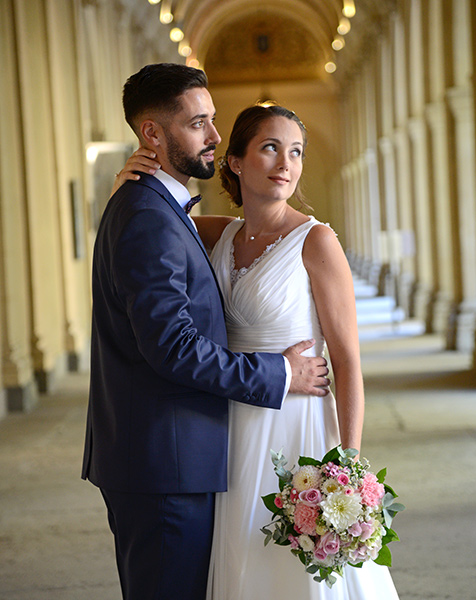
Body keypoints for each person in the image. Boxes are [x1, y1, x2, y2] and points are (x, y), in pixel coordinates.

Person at [117, 103, 400, 599]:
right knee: (242, 558)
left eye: (295, 152)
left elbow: (347, 359)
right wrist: (129, 184)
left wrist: (348, 467)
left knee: (300, 572)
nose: (285, 164)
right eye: (270, 148)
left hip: (300, 423)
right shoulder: (220, 234)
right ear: (235, 162)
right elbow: (158, 215)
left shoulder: (317, 240)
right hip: (234, 427)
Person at [81, 64, 331, 600]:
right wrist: (282, 371)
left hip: (170, 455)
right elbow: (173, 347)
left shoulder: (155, 207)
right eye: (199, 123)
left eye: (214, 121)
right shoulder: (148, 213)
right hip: (164, 463)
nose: (215, 136)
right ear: (153, 133)